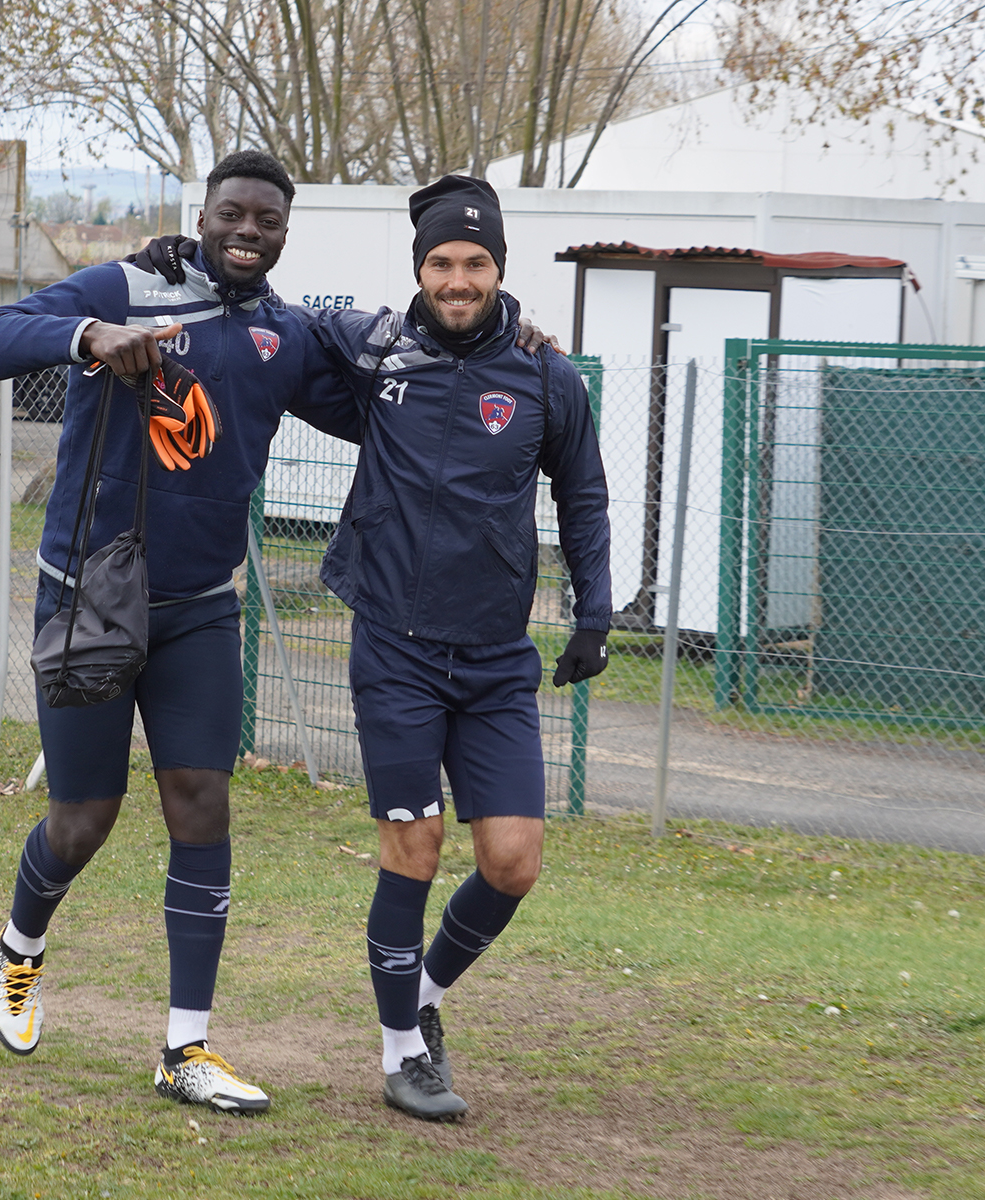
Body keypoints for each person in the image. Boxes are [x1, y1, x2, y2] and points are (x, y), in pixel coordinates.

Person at [0, 151, 555, 1114]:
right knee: (85, 819)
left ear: (284, 231)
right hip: (90, 600)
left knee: (201, 808)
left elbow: (397, 400)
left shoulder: (285, 333)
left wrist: (500, 339)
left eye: (266, 219)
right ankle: (21, 948)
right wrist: (92, 334)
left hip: (201, 606)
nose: (248, 230)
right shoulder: (129, 285)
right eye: (230, 214)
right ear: (203, 216)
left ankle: (184, 1049)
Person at [308, 175, 612, 1120]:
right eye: (441, 262)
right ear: (419, 270)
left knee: (513, 859)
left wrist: (594, 613)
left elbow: (585, 496)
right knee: (416, 845)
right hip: (394, 648)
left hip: (494, 660)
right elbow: (272, 320)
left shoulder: (547, 376)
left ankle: (426, 994)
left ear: (499, 271)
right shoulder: (374, 354)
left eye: (474, 263)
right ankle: (403, 1054)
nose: (457, 279)